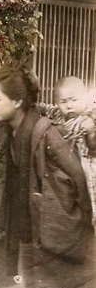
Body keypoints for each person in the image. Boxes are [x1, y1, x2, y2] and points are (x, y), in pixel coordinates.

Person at [0, 66, 95, 288]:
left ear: (18, 101)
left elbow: (75, 175)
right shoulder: (18, 128)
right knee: (34, 287)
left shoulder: (44, 130)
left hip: (55, 219)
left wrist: (65, 216)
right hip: (35, 220)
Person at [51, 76, 96, 224]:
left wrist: (91, 133)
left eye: (74, 100)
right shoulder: (56, 116)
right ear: (56, 102)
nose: (69, 106)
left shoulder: (90, 118)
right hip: (66, 173)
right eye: (63, 102)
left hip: (88, 170)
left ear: (84, 98)